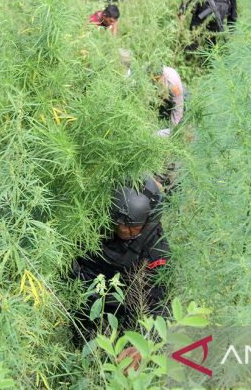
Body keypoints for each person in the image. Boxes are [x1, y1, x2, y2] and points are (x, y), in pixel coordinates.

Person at [72, 178, 170, 370]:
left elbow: (160, 301)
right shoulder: (95, 214)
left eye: (132, 226)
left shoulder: (155, 249)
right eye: (118, 222)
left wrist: (145, 343)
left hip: (115, 307)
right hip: (76, 288)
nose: (123, 229)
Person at [156, 66, 185, 137]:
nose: (155, 80)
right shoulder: (152, 71)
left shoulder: (173, 84)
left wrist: (173, 130)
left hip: (178, 97)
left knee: (179, 119)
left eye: (157, 79)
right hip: (163, 92)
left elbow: (178, 105)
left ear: (162, 75)